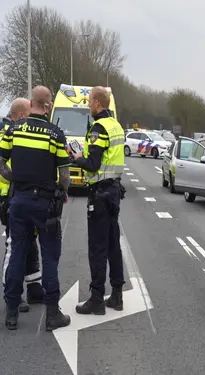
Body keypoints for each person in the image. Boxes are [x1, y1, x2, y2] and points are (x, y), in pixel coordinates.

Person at [0, 86, 71, 330]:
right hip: (45, 204)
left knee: (18, 252)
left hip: (18, 201)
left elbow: (1, 163)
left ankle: (11, 314)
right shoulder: (55, 134)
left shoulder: (13, 130)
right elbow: (64, 174)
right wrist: (61, 191)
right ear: (48, 105)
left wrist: (14, 179)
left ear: (31, 103)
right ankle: (52, 314)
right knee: (50, 256)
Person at [71, 86, 125, 315]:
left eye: (89, 101)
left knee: (97, 248)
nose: (88, 105)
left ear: (96, 103)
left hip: (100, 195)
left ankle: (96, 299)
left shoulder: (98, 128)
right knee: (113, 244)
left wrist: (77, 158)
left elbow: (93, 164)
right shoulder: (116, 126)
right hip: (113, 192)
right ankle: (117, 295)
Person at [0, 98, 44, 313]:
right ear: (20, 116)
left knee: (30, 243)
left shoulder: (20, 132)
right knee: (14, 246)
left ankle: (34, 288)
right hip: (9, 196)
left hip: (21, 195)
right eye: (30, 114)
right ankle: (12, 294)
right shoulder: (9, 134)